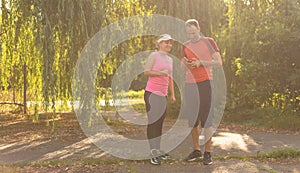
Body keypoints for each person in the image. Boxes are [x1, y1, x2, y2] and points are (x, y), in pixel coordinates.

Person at [181, 19, 222, 165]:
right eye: (188, 33)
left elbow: (218, 62)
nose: (191, 35)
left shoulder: (209, 42)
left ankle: (208, 153)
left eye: (193, 32)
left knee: (207, 120)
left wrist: (201, 63)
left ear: (198, 28)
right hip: (190, 85)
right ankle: (197, 150)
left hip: (205, 83)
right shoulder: (185, 45)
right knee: (192, 120)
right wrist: (186, 63)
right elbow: (181, 66)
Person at [144, 34, 176, 165]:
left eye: (170, 43)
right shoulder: (154, 56)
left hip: (163, 95)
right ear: (159, 44)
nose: (169, 45)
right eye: (166, 42)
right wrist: (160, 73)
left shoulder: (170, 59)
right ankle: (152, 152)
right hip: (151, 93)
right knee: (153, 122)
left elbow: (170, 78)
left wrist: (172, 94)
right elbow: (146, 72)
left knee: (160, 122)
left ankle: (158, 149)